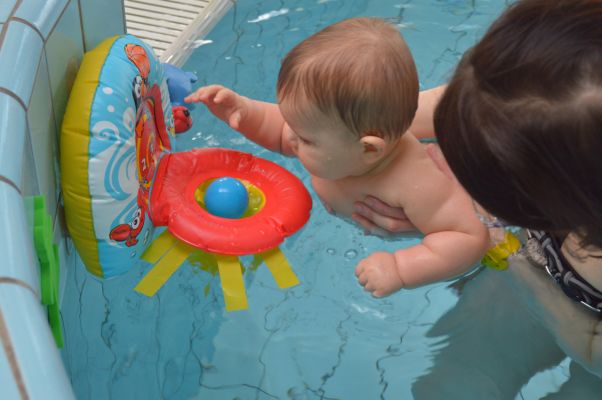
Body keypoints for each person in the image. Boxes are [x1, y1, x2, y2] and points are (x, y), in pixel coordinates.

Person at [351, 0, 602, 393]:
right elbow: (491, 100)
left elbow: (590, 351)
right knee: (448, 388)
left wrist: (489, 241)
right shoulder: (571, 87)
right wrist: (360, 128)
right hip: (548, 259)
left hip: (583, 330)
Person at [185, 17, 490, 297]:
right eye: (291, 123)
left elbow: (468, 238)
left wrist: (401, 268)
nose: (290, 137)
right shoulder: (329, 137)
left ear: (368, 149)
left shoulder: (417, 184)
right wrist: (244, 111)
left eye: (305, 138)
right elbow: (278, 130)